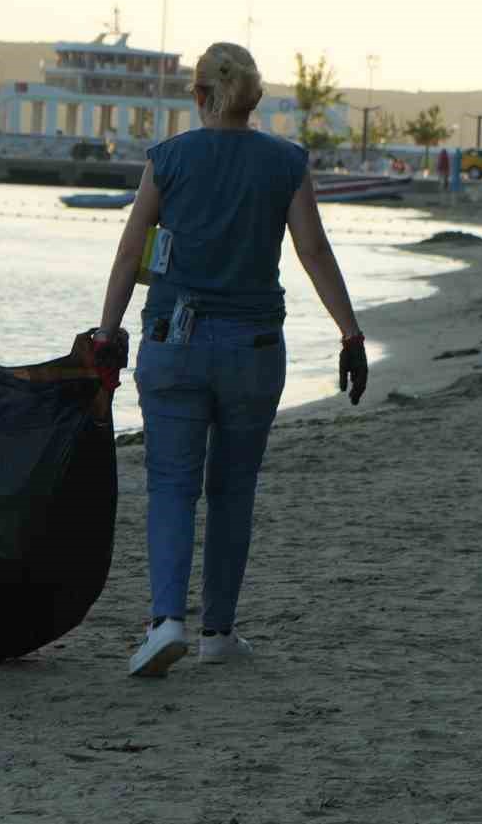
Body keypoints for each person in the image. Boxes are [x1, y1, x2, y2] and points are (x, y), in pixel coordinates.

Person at [93, 42, 369, 678]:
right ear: (253, 99)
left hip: (174, 345)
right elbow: (314, 252)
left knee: (171, 484)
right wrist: (350, 334)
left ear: (197, 95)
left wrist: (107, 331)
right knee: (232, 489)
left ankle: (166, 622)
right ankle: (219, 631)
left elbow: (130, 250)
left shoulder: (169, 159)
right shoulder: (286, 162)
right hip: (252, 352)